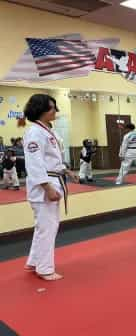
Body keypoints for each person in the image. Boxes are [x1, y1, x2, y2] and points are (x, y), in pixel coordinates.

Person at [23, 94, 79, 281]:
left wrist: (67, 171)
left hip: (53, 179)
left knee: (43, 227)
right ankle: (45, 268)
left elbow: (51, 160)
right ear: (41, 110)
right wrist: (47, 187)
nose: (55, 111)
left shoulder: (47, 131)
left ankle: (34, 261)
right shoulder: (35, 132)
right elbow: (35, 163)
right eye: (52, 108)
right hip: (44, 186)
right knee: (48, 227)